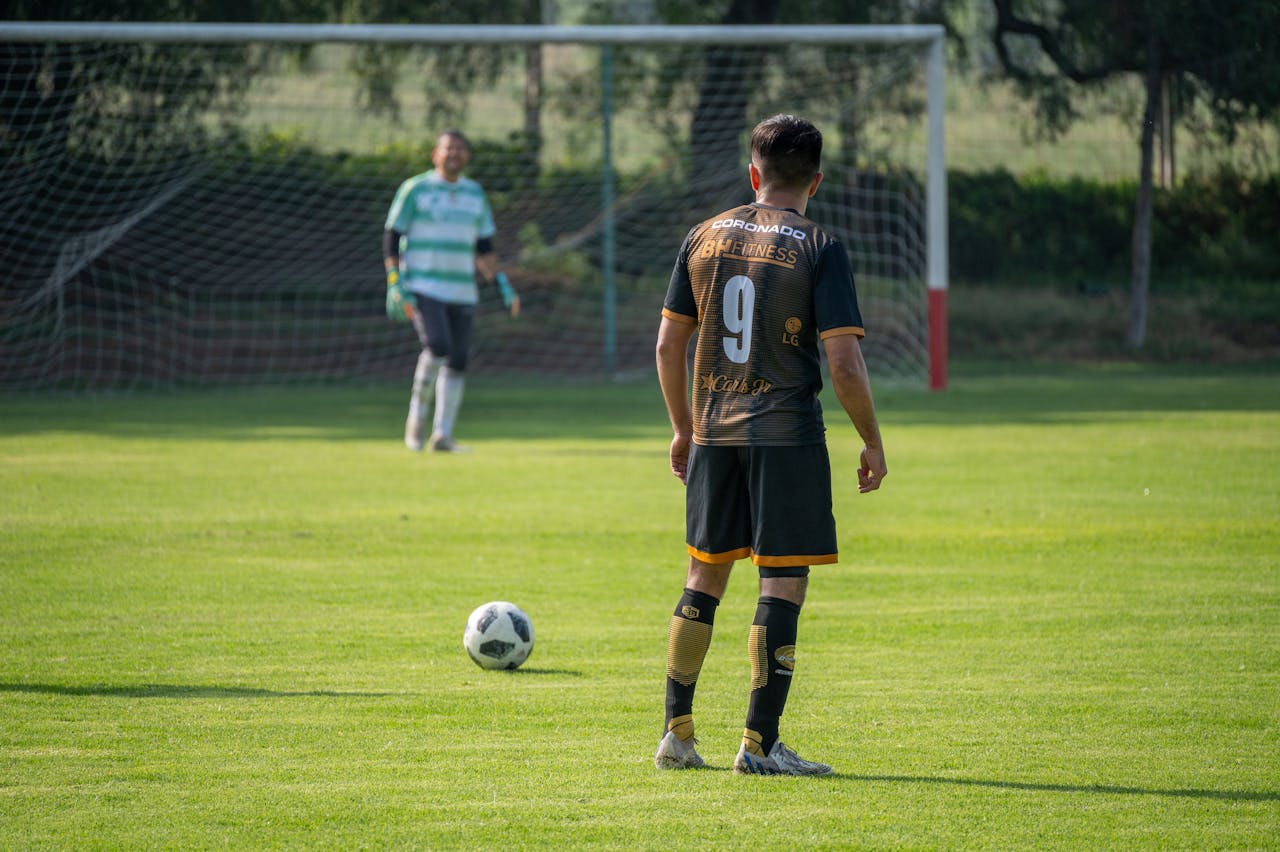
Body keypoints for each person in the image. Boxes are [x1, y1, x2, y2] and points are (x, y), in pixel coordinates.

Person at [653, 114, 887, 776]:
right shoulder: (821, 245)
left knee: (704, 576)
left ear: (753, 174)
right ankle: (758, 746)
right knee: (781, 583)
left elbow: (671, 343)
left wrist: (682, 428)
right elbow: (843, 363)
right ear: (815, 179)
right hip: (784, 437)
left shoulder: (702, 236)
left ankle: (677, 734)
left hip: (713, 434)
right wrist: (872, 442)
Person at [383, 129, 520, 453]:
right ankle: (416, 421)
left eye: (460, 149)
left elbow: (484, 246)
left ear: (467, 156)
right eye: (448, 148)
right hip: (423, 284)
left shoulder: (475, 194)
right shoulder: (415, 189)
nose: (453, 154)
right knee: (438, 345)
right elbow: (392, 234)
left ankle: (442, 435)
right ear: (435, 154)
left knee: (458, 360)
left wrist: (502, 284)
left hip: (462, 289)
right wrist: (393, 281)